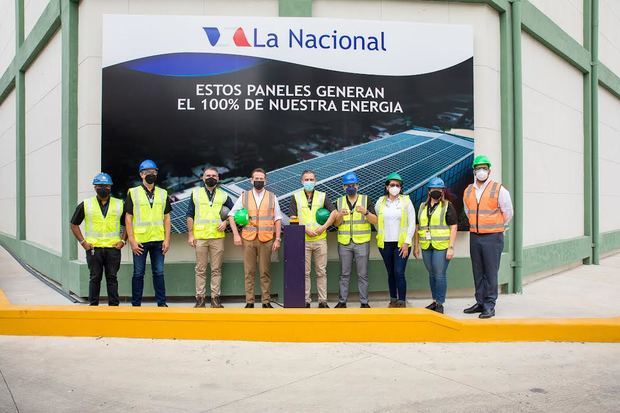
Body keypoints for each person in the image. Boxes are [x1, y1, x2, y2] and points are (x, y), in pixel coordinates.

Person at [462, 155, 513, 319]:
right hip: (475, 236)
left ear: (489, 171)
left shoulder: (499, 189)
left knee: (491, 272)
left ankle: (490, 305)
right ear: (474, 171)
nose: (481, 171)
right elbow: (467, 211)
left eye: (484, 168)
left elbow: (508, 212)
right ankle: (480, 302)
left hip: (493, 236)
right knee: (478, 271)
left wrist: (497, 226)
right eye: (478, 168)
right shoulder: (468, 190)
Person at [229, 168, 283, 308]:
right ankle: (250, 302)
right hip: (248, 239)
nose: (259, 181)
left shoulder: (272, 196)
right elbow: (231, 215)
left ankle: (266, 301)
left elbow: (277, 219)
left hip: (266, 239)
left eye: (261, 179)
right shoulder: (244, 196)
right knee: (249, 271)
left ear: (265, 180)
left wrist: (278, 239)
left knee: (265, 271)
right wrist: (236, 234)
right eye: (256, 178)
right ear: (251, 180)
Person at [70, 173, 126, 306]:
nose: (103, 188)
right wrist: (83, 242)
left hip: (113, 249)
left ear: (110, 187)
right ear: (95, 187)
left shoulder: (119, 204)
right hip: (94, 249)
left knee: (112, 278)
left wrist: (123, 241)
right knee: (94, 278)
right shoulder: (86, 204)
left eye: (106, 186)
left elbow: (128, 224)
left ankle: (114, 307)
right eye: (100, 186)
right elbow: (73, 224)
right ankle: (93, 307)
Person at [124, 160, 172, 307]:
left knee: (159, 273)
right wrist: (131, 240)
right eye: (148, 172)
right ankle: (136, 305)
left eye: (154, 172)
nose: (151, 174)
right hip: (140, 241)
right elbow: (128, 217)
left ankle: (162, 304)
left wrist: (167, 239)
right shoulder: (133, 192)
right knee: (138, 273)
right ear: (141, 174)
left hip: (158, 240)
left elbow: (167, 217)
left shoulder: (163, 193)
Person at [186, 167, 235, 308]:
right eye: (208, 175)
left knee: (216, 269)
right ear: (203, 177)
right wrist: (190, 234)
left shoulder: (223, 195)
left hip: (217, 237)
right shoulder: (195, 193)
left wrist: (225, 222)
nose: (211, 177)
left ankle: (215, 298)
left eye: (214, 175)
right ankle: (200, 299)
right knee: (200, 269)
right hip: (200, 237)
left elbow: (235, 213)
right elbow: (189, 215)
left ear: (218, 178)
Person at [289, 170, 337, 308]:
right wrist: (305, 229)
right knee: (305, 273)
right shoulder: (295, 197)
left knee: (321, 271)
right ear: (301, 181)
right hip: (302, 240)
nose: (309, 182)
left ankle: (323, 301)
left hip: (320, 239)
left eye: (311, 179)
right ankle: (306, 301)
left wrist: (324, 227)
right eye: (306, 179)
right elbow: (293, 218)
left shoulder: (323, 196)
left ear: (315, 181)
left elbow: (334, 212)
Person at [413, 177, 458, 314]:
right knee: (431, 274)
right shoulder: (422, 206)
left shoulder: (447, 206)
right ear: (429, 191)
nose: (436, 191)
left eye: (439, 189)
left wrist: (451, 247)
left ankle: (440, 303)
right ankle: (434, 301)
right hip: (427, 246)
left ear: (442, 191)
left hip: (441, 246)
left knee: (439, 274)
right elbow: (417, 227)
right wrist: (416, 246)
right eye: (433, 189)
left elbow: (454, 226)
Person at [333, 172, 377, 308]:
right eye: (347, 185)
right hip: (344, 243)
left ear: (357, 185)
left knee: (362, 274)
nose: (350, 187)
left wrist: (365, 212)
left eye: (353, 185)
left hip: (362, 242)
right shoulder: (339, 202)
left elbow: (376, 220)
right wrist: (339, 216)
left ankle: (364, 303)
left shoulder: (366, 200)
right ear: (343, 188)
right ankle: (342, 302)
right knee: (344, 274)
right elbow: (336, 224)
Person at [374, 173, 416, 308]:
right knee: (391, 272)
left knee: (399, 272)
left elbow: (411, 223)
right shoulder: (380, 202)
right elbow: (376, 222)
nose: (395, 187)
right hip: (385, 244)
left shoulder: (406, 201)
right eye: (392, 185)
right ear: (386, 187)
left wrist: (406, 243)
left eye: (398, 185)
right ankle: (393, 300)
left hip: (401, 244)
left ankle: (402, 301)